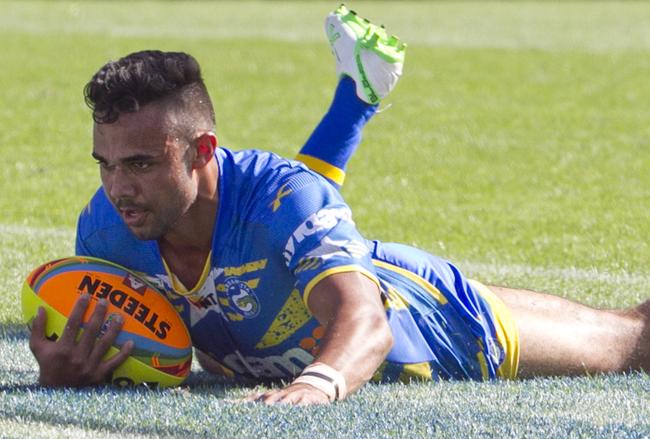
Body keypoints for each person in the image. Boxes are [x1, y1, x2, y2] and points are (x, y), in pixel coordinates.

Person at [29, 6, 649, 404]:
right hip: (348, 275)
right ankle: (357, 97)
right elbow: (146, 347)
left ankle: (358, 97)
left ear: (202, 151)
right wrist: (75, 368)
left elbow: (368, 323)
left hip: (425, 321)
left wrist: (317, 384)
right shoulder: (107, 229)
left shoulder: (282, 195)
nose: (118, 187)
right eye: (105, 164)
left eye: (139, 164)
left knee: (625, 345)